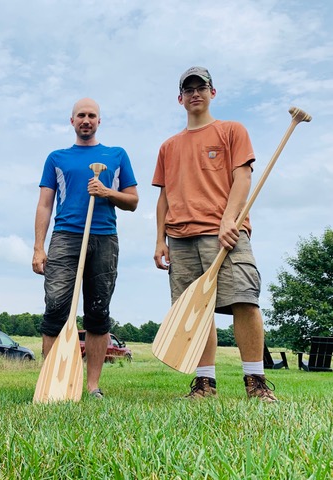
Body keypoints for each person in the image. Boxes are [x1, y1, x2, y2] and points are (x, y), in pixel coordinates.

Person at [153, 66, 277, 402]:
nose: (195, 93)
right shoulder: (168, 146)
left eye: (201, 87)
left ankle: (256, 382)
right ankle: (205, 384)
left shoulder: (232, 131)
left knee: (244, 300)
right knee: (197, 310)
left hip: (226, 234)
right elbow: (163, 196)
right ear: (180, 98)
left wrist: (228, 220)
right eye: (188, 89)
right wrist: (159, 240)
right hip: (180, 240)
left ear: (213, 93)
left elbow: (243, 178)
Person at [32, 98, 138, 399]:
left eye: (92, 115)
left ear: (99, 121)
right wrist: (39, 247)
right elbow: (44, 204)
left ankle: (92, 386)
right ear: (72, 121)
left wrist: (106, 192)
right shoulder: (57, 158)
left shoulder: (116, 155)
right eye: (81, 115)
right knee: (55, 307)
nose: (86, 120)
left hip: (104, 237)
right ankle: (51, 382)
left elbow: (133, 201)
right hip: (65, 236)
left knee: (97, 310)